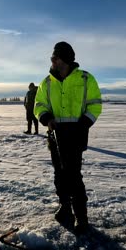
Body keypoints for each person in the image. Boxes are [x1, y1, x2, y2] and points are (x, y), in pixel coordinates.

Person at [34, 41, 102, 233]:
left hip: (76, 134)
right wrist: (46, 118)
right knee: (59, 174)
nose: (52, 61)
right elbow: (39, 104)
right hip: (55, 134)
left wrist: (83, 125)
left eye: (55, 57)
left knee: (73, 175)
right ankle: (65, 207)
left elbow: (95, 105)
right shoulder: (46, 82)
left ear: (65, 59)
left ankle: (81, 216)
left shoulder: (86, 79)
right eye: (52, 58)